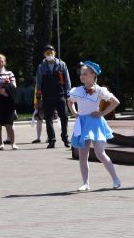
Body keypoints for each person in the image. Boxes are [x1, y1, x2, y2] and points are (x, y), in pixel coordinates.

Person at [68, 61, 122, 192]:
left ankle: (115, 178)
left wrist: (102, 113)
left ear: (93, 75)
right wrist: (75, 113)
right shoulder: (77, 91)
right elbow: (70, 101)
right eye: (81, 74)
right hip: (82, 123)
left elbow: (115, 102)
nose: (82, 76)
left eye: (85, 74)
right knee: (83, 154)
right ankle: (85, 183)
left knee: (100, 153)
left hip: (95, 122)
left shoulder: (99, 90)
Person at [35, 45, 71, 148]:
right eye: (47, 52)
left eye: (51, 52)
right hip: (47, 97)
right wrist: (38, 98)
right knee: (48, 119)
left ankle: (65, 138)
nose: (49, 54)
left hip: (60, 96)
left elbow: (67, 81)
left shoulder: (62, 64)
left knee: (64, 118)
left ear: (54, 52)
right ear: (44, 54)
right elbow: (38, 82)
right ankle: (51, 140)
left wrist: (68, 94)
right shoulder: (41, 67)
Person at [0, 54, 18, 150]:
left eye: (2, 61)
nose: (0, 63)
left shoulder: (10, 73)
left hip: (8, 102)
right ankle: (1, 144)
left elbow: (14, 87)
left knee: (9, 124)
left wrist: (6, 87)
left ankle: (13, 143)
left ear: (4, 62)